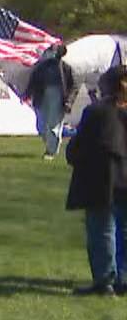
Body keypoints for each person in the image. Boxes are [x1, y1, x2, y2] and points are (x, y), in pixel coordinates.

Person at [66, 67, 127, 295]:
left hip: (102, 177)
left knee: (102, 229)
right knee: (124, 230)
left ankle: (104, 280)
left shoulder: (96, 112)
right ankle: (124, 278)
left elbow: (78, 148)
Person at [25, 43, 75, 160]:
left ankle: (51, 151)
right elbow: (33, 81)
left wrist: (69, 101)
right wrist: (27, 94)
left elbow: (73, 86)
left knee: (54, 123)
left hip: (57, 94)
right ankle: (50, 144)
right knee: (41, 125)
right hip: (41, 94)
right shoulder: (42, 67)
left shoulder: (66, 68)